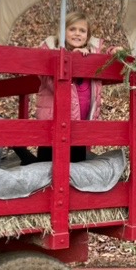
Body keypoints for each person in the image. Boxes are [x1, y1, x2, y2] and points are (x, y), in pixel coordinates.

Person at [33, 16, 105, 164]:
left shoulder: (91, 56)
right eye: (72, 29)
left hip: (80, 126)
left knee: (76, 166)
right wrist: (71, 58)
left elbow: (108, 57)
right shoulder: (53, 52)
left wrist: (111, 50)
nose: (77, 33)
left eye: (82, 30)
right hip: (53, 122)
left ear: (88, 36)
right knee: (46, 165)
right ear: (63, 33)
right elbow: (51, 81)